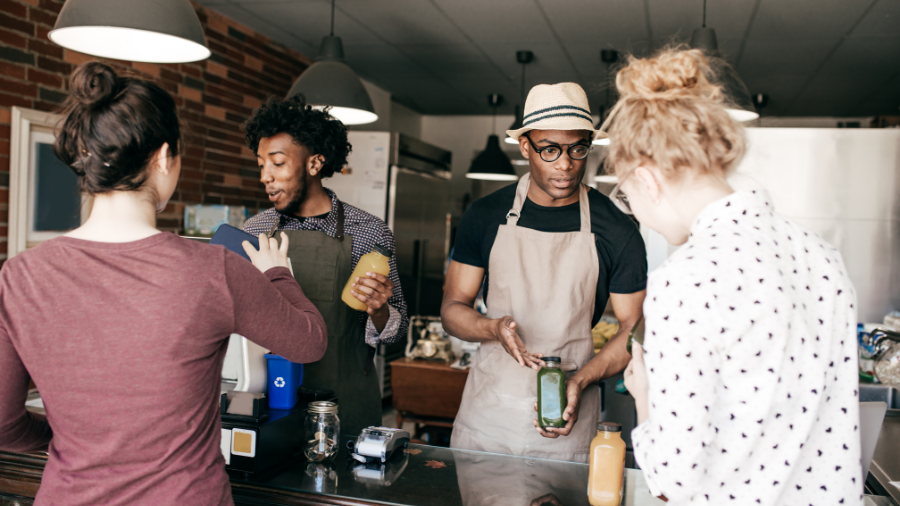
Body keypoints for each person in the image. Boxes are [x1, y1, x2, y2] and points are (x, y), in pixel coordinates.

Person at [0, 62, 327, 506]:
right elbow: (308, 342)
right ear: (163, 158)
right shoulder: (213, 270)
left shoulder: (19, 276)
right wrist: (278, 273)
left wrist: (66, 438)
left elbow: (3, 422)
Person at [615, 48, 862, 505]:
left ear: (647, 180)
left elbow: (674, 478)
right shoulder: (822, 258)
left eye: (628, 196)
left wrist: (645, 396)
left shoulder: (685, 279)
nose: (639, 214)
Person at [443, 82, 648, 463]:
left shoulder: (617, 228)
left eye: (577, 148)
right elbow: (453, 308)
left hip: (568, 420)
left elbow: (634, 331)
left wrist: (582, 379)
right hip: (488, 417)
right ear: (525, 147)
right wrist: (492, 328)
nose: (565, 164)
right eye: (549, 149)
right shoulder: (485, 215)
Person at [242, 96, 408, 436]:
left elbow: (398, 328)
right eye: (261, 165)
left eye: (277, 163)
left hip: (344, 403)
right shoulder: (254, 231)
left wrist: (379, 309)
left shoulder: (368, 233)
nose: (265, 177)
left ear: (315, 163)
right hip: (270, 403)